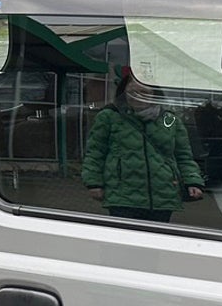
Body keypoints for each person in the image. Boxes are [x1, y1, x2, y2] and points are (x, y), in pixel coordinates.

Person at [82, 69, 205, 223]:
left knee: (156, 236)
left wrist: (193, 181)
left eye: (144, 92)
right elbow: (95, 153)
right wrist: (94, 183)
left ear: (154, 94)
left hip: (162, 197)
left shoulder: (170, 120)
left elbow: (184, 156)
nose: (138, 96)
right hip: (122, 197)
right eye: (133, 91)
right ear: (124, 92)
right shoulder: (109, 117)